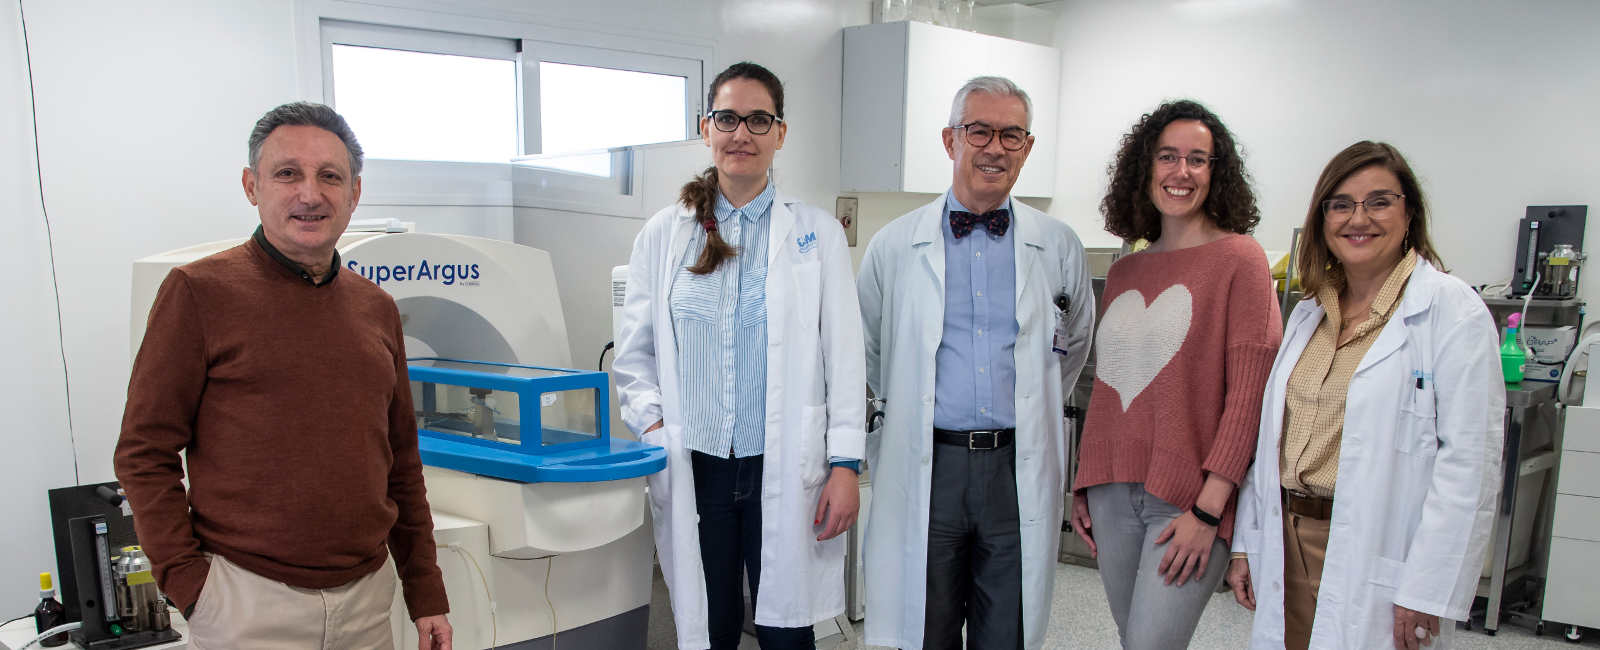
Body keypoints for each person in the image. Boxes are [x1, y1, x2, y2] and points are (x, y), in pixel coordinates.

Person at [113, 102, 452, 649]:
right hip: (247, 604)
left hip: (367, 602)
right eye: (287, 173)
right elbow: (143, 452)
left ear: (354, 193)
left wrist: (426, 592)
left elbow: (401, 462)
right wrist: (189, 584)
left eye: (330, 176)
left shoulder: (377, 308)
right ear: (252, 186)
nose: (310, 194)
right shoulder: (198, 293)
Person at [611, 61, 865, 650]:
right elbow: (635, 353)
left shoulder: (817, 236)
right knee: (711, 625)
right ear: (706, 128)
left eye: (758, 119)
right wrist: (654, 425)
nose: (741, 133)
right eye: (727, 118)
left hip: (782, 462)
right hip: (697, 464)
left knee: (786, 631)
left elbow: (845, 360)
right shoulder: (665, 234)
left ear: (780, 133)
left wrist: (846, 465)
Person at [1225, 141, 1504, 650]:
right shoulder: (1310, 312)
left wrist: (1429, 586)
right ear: (1322, 218)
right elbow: (1270, 446)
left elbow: (1470, 466)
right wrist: (1246, 543)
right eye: (1341, 204)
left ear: (1409, 212)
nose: (1359, 218)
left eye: (1379, 201)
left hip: (1376, 545)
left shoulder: (1450, 310)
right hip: (1285, 536)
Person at [858, 75, 1094, 650]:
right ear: (949, 140)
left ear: (1028, 148)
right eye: (979, 130)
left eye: (1011, 135)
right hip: (929, 463)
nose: (995, 148)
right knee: (927, 626)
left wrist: (1029, 410)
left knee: (1004, 629)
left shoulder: (1058, 244)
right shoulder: (893, 246)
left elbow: (1074, 345)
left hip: (1016, 467)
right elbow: (868, 357)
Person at [1069, 99, 1282, 649]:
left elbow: (1247, 400)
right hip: (1112, 493)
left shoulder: (1242, 261)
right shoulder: (1125, 271)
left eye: (1198, 159)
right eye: (1167, 157)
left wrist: (1209, 511)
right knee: (1132, 640)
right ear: (1146, 169)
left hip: (1189, 497)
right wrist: (1084, 480)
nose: (1180, 172)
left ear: (1217, 173)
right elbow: (1109, 388)